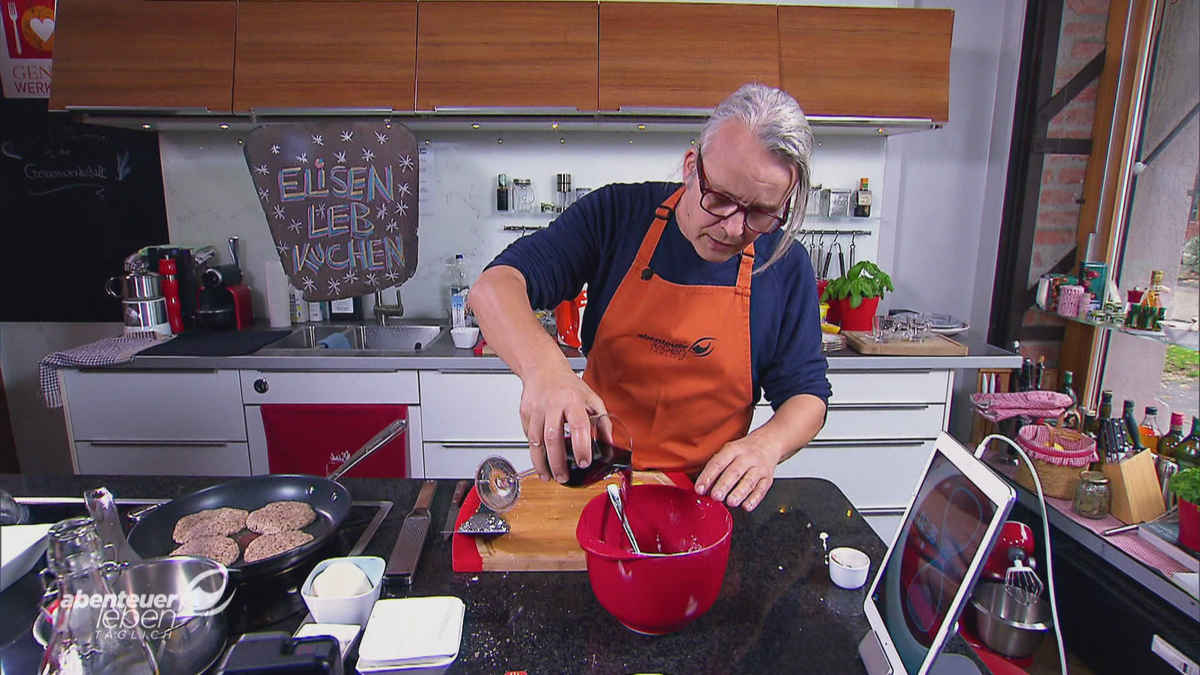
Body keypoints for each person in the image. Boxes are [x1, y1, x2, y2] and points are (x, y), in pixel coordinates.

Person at [469, 83, 831, 512]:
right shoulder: (617, 217)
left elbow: (807, 394)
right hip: (600, 480)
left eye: (760, 213)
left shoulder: (784, 263)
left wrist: (766, 446)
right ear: (691, 166)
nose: (733, 229)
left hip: (707, 497)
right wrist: (546, 371)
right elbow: (494, 286)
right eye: (721, 199)